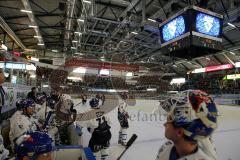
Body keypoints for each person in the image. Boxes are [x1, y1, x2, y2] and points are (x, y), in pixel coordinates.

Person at [155, 90, 218, 160]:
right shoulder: (166, 149)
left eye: (169, 119)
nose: (164, 124)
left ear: (179, 132)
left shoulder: (165, 150)